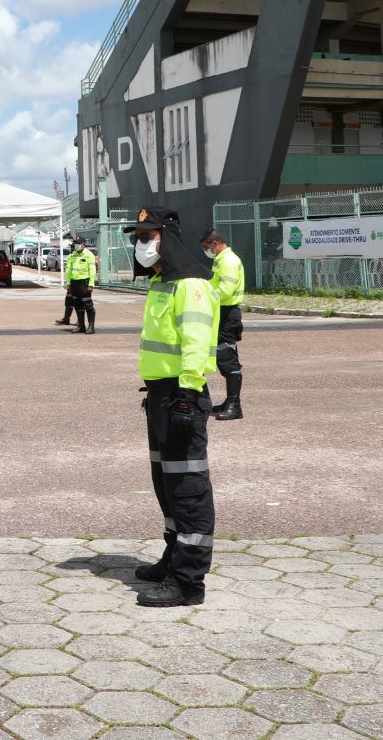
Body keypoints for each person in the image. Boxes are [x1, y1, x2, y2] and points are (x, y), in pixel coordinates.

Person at [125, 201, 218, 608]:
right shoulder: (162, 281)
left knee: (188, 488)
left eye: (147, 237)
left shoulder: (190, 284)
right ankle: (172, 558)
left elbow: (197, 342)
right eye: (137, 238)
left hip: (181, 396)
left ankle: (188, 582)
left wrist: (187, 394)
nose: (140, 244)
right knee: (166, 483)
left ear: (168, 239)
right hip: (161, 396)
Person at [201, 229, 246, 421]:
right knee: (223, 355)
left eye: (206, 247)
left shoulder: (227, 261)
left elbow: (226, 291)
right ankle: (230, 401)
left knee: (227, 357)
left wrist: (205, 297)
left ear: (215, 244)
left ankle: (235, 405)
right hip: (223, 313)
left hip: (228, 314)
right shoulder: (220, 259)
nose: (206, 251)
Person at [61, 237, 97, 334]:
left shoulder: (89, 255)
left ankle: (91, 326)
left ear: (84, 244)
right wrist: (68, 283)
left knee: (88, 306)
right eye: (75, 243)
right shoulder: (73, 255)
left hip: (84, 283)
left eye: (78, 243)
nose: (76, 244)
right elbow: (68, 270)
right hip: (74, 283)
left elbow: (92, 270)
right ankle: (81, 326)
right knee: (77, 305)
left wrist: (91, 284)